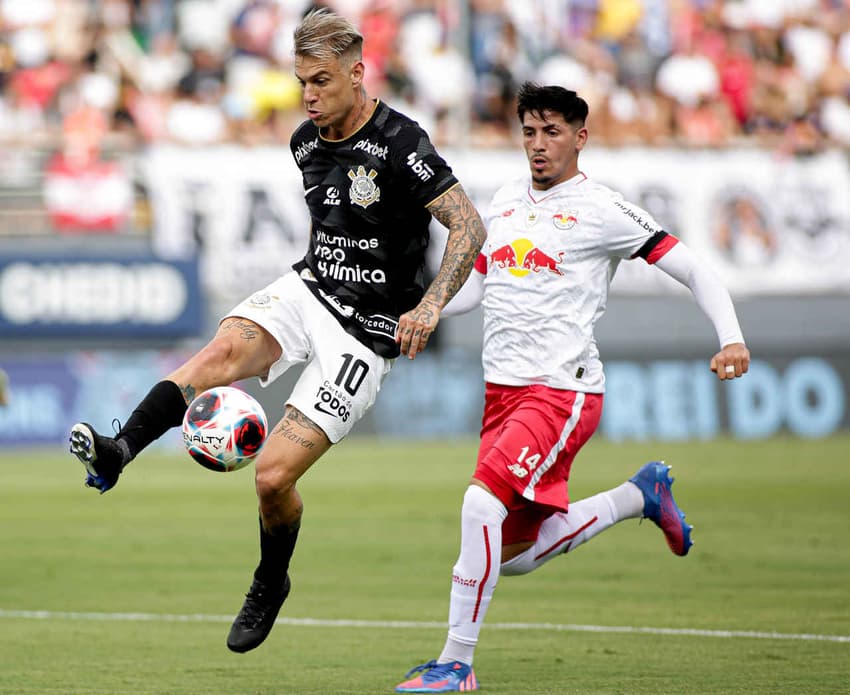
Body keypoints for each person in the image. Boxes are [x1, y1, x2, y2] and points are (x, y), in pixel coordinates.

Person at [68, 8, 486, 655]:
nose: (309, 96)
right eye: (300, 83)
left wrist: (428, 306)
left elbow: (468, 227)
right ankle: (121, 448)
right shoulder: (305, 144)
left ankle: (271, 576)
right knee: (221, 347)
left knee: (271, 479)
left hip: (365, 335)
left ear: (357, 72)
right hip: (309, 288)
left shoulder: (402, 143)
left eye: (320, 81)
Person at [394, 82, 750, 693]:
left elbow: (692, 267)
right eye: (529, 131)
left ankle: (455, 665)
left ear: (580, 137)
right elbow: (480, 287)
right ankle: (639, 496)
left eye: (552, 132)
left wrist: (732, 337)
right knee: (513, 555)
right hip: (501, 395)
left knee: (480, 504)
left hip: (562, 391)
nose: (538, 145)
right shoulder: (504, 201)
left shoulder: (602, 209)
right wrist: (423, 308)